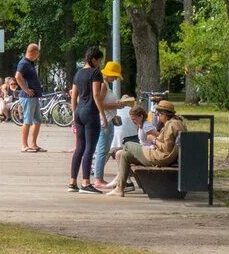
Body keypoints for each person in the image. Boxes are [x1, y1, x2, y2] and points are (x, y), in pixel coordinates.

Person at [107, 100, 187, 197]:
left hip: (160, 157)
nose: (157, 116)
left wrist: (153, 140)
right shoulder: (175, 123)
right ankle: (119, 188)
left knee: (128, 145)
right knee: (125, 155)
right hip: (162, 155)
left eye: (158, 114)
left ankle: (119, 179)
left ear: (164, 114)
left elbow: (165, 148)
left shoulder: (171, 125)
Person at [68, 46, 107, 193]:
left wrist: (74, 113)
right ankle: (85, 183)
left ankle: (72, 183)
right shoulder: (96, 72)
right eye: (99, 60)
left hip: (79, 112)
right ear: (94, 59)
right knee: (90, 148)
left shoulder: (78, 74)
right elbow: (96, 95)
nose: (100, 64)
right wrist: (102, 115)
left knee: (79, 148)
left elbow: (73, 96)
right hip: (91, 112)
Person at [91, 61, 133, 190]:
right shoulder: (103, 85)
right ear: (108, 74)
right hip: (105, 120)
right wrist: (117, 105)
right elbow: (100, 104)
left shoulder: (105, 84)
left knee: (102, 149)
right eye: (114, 76)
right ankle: (98, 179)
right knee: (103, 150)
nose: (115, 79)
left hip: (107, 119)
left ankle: (99, 177)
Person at [16, 43, 46, 152]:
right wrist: (26, 89)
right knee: (27, 121)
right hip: (27, 97)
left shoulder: (30, 63)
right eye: (37, 53)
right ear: (33, 52)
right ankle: (24, 145)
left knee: (37, 120)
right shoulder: (23, 63)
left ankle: (33, 144)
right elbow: (18, 76)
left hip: (34, 97)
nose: (38, 55)